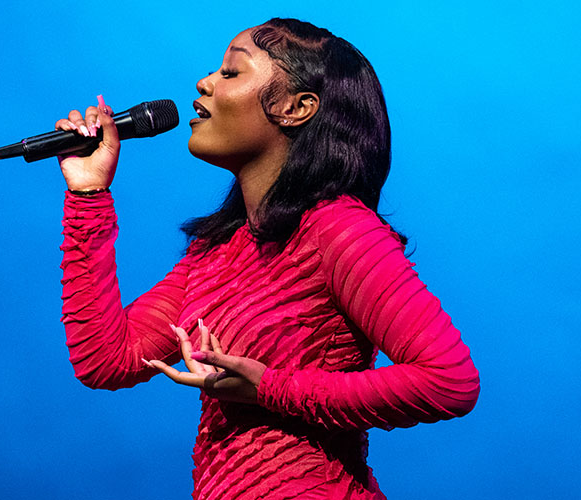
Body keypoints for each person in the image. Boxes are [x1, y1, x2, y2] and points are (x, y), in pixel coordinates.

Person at [56, 18, 479, 500]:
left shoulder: (338, 228)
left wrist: (271, 389)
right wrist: (89, 193)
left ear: (297, 108)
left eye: (232, 72)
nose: (204, 82)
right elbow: (107, 359)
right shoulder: (215, 252)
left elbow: (449, 381)